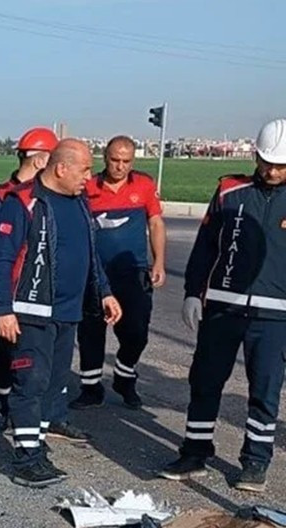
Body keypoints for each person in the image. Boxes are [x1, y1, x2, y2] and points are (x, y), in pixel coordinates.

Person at [159, 118, 286, 493]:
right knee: (205, 380)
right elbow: (205, 245)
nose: (273, 170)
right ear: (256, 155)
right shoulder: (230, 191)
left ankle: (255, 461)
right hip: (222, 307)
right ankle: (195, 451)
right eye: (267, 162)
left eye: (281, 165)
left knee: (265, 388)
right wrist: (193, 293)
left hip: (276, 314)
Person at [0, 139, 123, 487]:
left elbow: (90, 254)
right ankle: (26, 459)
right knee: (30, 383)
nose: (89, 178)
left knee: (53, 384)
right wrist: (3, 309)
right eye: (84, 170)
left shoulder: (79, 203)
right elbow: (2, 258)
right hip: (31, 311)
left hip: (68, 313)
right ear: (61, 168)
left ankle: (38, 442)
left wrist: (105, 292)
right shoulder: (23, 202)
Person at [71, 136, 166, 411]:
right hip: (95, 274)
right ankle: (90, 388)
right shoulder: (87, 187)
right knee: (90, 331)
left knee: (136, 332)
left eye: (126, 161)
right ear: (105, 158)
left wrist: (159, 261)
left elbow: (156, 223)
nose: (120, 166)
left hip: (133, 272)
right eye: (114, 160)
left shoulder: (145, 185)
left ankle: (125, 377)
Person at [0, 127, 59, 429]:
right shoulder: (2, 198)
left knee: (37, 358)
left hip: (39, 294)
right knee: (6, 353)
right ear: (39, 161)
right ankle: (7, 407)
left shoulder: (48, 198)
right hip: (6, 291)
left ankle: (37, 414)